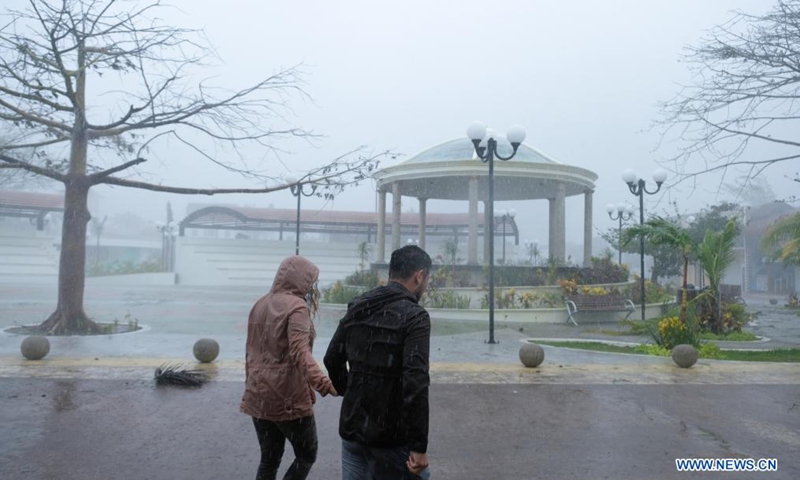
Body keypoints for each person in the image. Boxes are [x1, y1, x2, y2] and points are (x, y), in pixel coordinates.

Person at [324, 245, 433, 480]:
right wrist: (419, 446)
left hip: (353, 430)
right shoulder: (415, 317)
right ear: (420, 276)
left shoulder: (359, 305)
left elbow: (332, 357)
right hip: (391, 438)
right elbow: (415, 382)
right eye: (426, 280)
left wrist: (349, 390)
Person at [241, 256, 337, 480]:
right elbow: (299, 352)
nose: (313, 287)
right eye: (311, 281)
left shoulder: (260, 303)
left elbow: (250, 352)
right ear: (302, 281)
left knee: (269, 459)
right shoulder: (297, 307)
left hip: (257, 394)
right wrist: (324, 383)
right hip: (287, 397)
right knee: (306, 454)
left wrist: (251, 387)